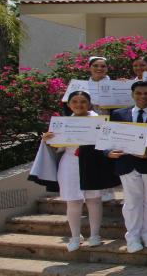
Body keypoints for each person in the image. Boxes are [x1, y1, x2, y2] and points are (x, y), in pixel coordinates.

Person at [39, 90, 119, 250]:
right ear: (69, 105)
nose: (79, 105)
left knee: (94, 201)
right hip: (70, 163)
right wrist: (48, 140)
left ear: (89, 104)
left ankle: (95, 235)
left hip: (92, 162)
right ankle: (75, 236)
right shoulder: (63, 123)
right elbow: (56, 147)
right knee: (73, 201)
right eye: (74, 102)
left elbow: (107, 142)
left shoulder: (99, 121)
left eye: (82, 101)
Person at [106, 80, 147, 253]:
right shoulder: (119, 114)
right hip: (127, 163)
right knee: (132, 202)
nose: (143, 96)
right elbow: (107, 139)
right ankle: (132, 237)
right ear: (132, 95)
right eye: (139, 93)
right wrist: (107, 153)